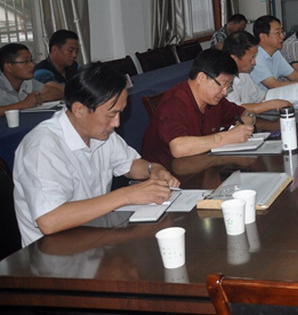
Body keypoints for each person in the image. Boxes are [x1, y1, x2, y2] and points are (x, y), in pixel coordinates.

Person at [13, 63, 179, 247]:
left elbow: (130, 164)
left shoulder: (100, 132)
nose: (116, 123)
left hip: (94, 235)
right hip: (54, 251)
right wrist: (127, 195)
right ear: (79, 110)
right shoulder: (42, 146)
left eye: (120, 113)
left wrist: (153, 169)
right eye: (111, 114)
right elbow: (50, 220)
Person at [141, 49, 256, 166]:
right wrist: (229, 137)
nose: (225, 92)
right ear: (201, 78)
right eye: (222, 85)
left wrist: (245, 123)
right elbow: (178, 148)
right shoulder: (175, 102)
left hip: (200, 164)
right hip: (166, 171)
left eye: (229, 86)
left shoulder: (214, 100)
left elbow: (245, 112)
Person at [222, 31, 292, 115]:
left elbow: (261, 97)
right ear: (234, 58)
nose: (254, 62)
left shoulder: (244, 75)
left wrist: (289, 96)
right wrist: (272, 104)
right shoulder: (223, 81)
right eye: (251, 58)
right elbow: (237, 109)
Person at [1, 43, 61, 116]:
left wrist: (38, 98)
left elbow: (57, 92)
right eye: (25, 61)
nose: (33, 65)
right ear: (8, 67)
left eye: (31, 60)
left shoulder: (28, 81)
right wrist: (24, 104)